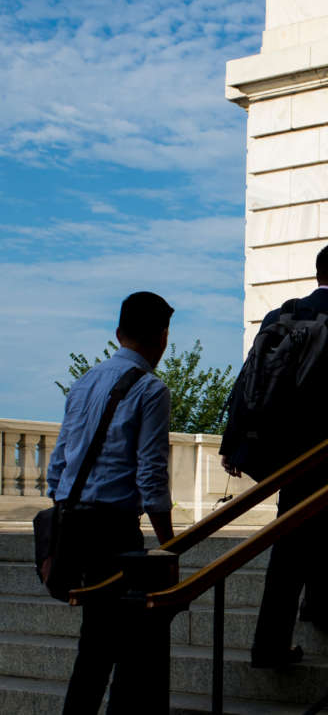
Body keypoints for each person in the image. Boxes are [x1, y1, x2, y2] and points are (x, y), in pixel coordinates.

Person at [232, 243, 328, 669]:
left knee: (324, 513)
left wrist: (236, 441)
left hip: (271, 444)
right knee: (293, 534)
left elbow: (251, 374)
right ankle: (270, 644)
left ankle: (322, 597)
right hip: (319, 443)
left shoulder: (281, 314)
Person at [46, 291, 176, 714]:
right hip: (114, 530)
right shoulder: (151, 390)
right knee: (127, 645)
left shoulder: (83, 383)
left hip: (72, 522)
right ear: (162, 337)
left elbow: (59, 465)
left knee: (97, 643)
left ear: (119, 333)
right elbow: (150, 474)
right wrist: (169, 544)